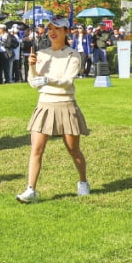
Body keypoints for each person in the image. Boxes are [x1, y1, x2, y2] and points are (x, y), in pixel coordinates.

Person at [15, 17, 90, 204]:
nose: (52, 32)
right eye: (50, 28)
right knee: (36, 149)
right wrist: (32, 66)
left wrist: (48, 80)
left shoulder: (73, 55)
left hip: (65, 104)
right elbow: (33, 83)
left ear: (66, 31)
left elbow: (67, 81)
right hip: (44, 104)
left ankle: (83, 181)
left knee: (73, 150)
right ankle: (31, 189)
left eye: (57, 28)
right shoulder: (41, 53)